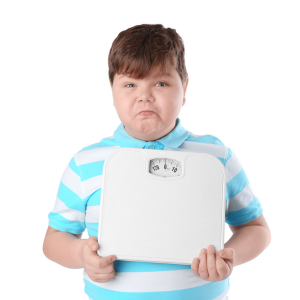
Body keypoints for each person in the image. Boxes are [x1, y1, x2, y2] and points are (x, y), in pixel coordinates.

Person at [43, 24, 271, 300]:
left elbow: (256, 229)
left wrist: (229, 256)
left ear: (184, 87)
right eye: (129, 84)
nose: (145, 96)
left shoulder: (217, 156)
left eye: (161, 83)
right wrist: (81, 254)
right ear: (112, 92)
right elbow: (53, 240)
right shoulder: (85, 163)